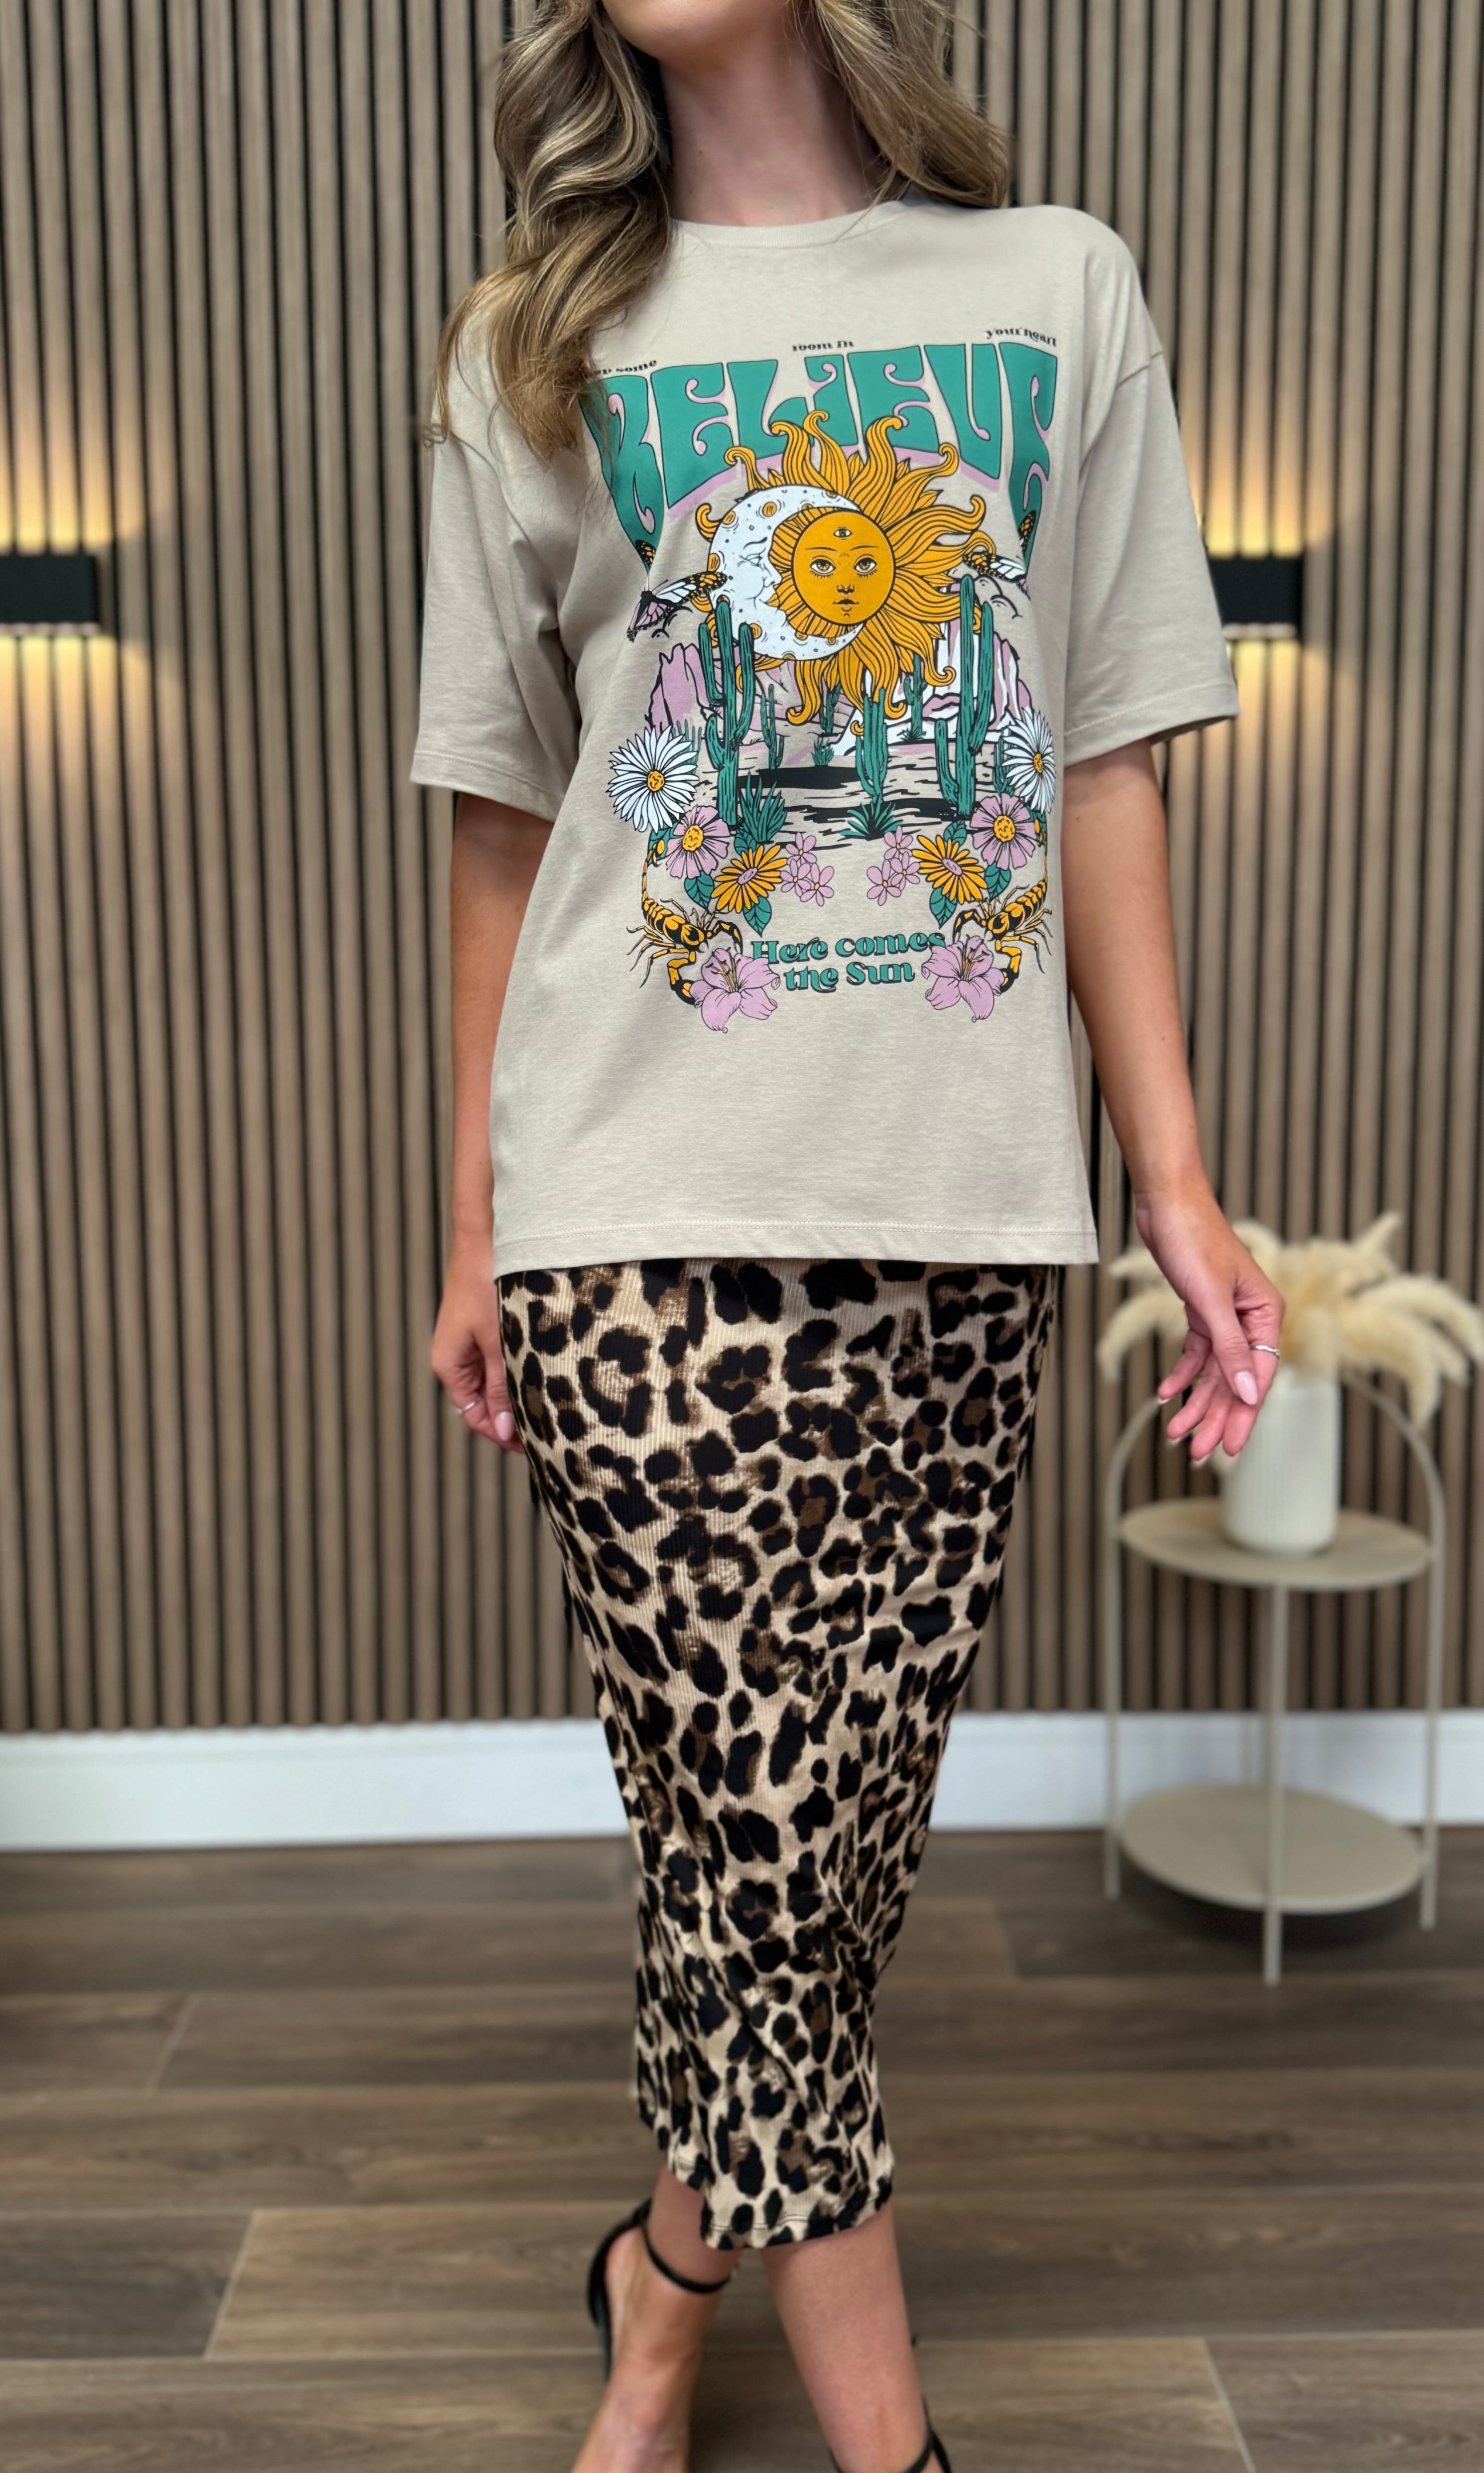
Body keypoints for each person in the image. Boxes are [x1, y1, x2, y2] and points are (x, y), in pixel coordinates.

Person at [413, 5, 1283, 2468]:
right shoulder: (538, 342)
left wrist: (1171, 1179)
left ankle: (661, 2291)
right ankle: (893, 2448)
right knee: (776, 1854)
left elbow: (1096, 752)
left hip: (961, 1212)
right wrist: (474, 1223)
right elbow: (501, 816)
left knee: (805, 1871)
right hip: (635, 1211)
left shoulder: (1053, 287)